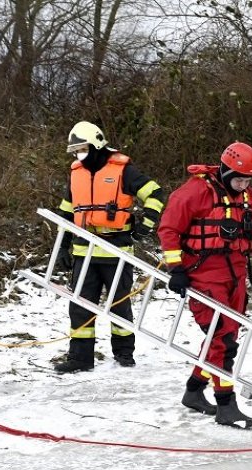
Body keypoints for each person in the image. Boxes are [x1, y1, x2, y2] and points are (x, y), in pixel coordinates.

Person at [157, 142, 252, 430]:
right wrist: (175, 269)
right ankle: (226, 405)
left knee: (222, 339)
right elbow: (168, 229)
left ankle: (193, 391)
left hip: (236, 276)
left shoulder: (246, 196)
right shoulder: (195, 192)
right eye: (239, 179)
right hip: (204, 278)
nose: (243, 185)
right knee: (223, 341)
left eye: (248, 180)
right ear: (226, 171)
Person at [54, 121, 165, 373]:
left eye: (81, 149)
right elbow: (65, 213)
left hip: (118, 251)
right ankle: (80, 359)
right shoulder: (76, 173)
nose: (78, 155)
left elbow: (155, 193)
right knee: (81, 306)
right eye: (75, 151)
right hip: (85, 251)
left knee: (120, 305)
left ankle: (124, 353)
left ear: (96, 144)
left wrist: (146, 224)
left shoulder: (123, 170)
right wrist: (62, 247)